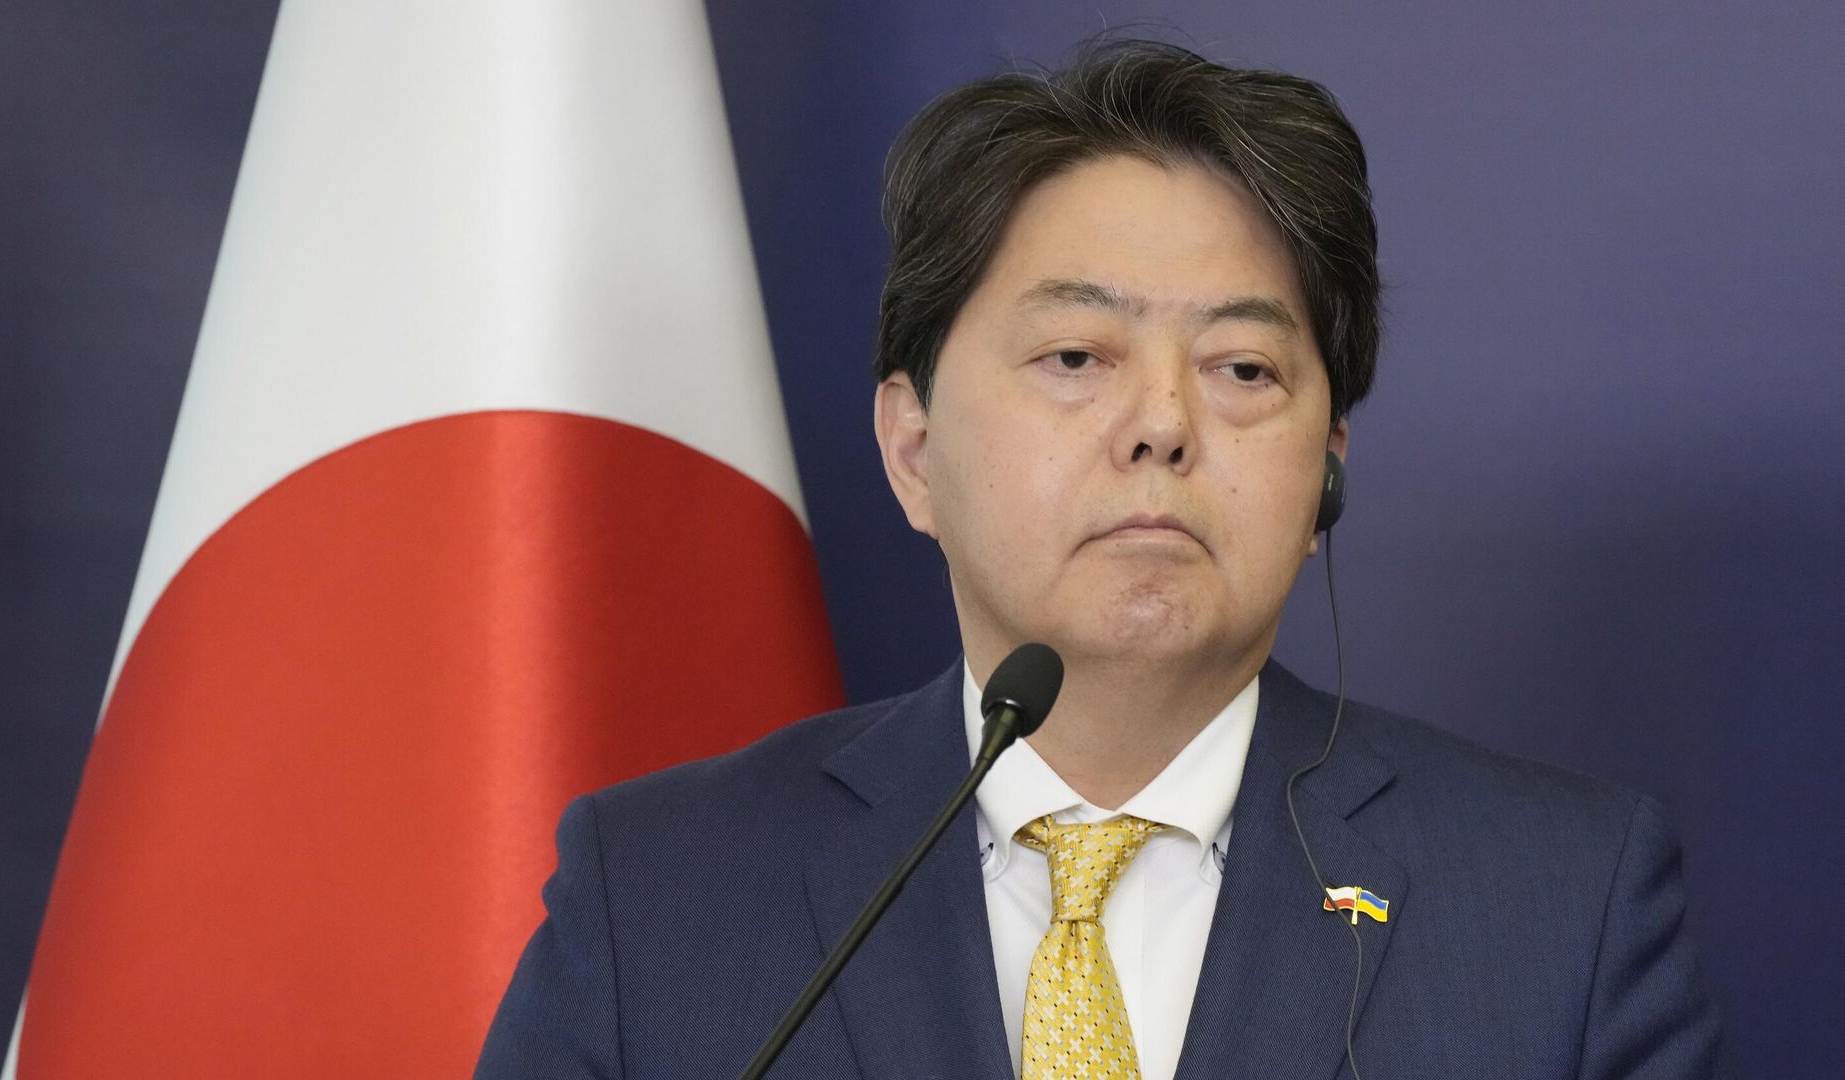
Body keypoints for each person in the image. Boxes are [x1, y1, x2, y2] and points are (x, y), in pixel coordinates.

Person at [476, 39, 1735, 1079]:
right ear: (913, 450)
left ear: (1325, 478)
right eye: (1077, 356)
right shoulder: (657, 899)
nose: (1163, 424)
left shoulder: (1562, 908)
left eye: (1244, 369)